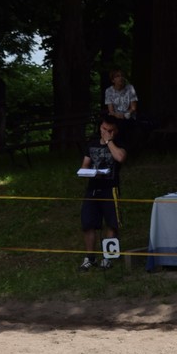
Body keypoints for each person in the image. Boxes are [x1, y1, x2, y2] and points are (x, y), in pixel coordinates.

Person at [77, 115, 126, 271]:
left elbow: (120, 157)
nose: (106, 132)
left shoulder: (119, 143)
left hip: (110, 188)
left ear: (116, 131)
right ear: (100, 128)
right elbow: (84, 165)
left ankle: (108, 257)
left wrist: (109, 141)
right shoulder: (92, 144)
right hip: (92, 188)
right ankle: (90, 257)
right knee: (88, 223)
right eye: (104, 129)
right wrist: (89, 172)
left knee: (112, 223)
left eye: (110, 130)